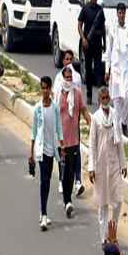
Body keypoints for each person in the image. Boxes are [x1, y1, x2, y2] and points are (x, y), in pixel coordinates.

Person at [89, 85, 128, 243]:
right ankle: (104, 237)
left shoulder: (115, 115)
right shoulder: (95, 118)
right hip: (100, 165)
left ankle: (113, 231)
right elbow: (92, 144)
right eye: (103, 98)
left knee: (117, 201)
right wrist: (91, 167)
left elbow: (120, 142)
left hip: (114, 164)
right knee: (103, 204)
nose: (105, 100)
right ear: (99, 100)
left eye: (107, 97)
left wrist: (123, 163)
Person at [30, 76, 64, 231]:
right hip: (41, 149)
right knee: (44, 180)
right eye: (42, 88)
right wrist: (31, 152)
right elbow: (34, 131)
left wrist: (62, 144)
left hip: (52, 149)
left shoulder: (55, 107)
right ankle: (43, 214)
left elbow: (58, 127)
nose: (44, 91)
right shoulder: (37, 109)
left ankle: (43, 211)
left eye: (46, 88)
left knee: (48, 180)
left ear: (50, 89)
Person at [57, 61, 90, 216]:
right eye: (67, 77)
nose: (69, 80)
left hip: (74, 140)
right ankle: (67, 202)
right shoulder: (58, 94)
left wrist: (92, 125)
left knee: (71, 171)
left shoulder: (77, 94)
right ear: (63, 78)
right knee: (65, 171)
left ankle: (68, 199)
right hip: (61, 141)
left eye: (71, 77)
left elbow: (84, 111)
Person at [105, 3, 128, 136]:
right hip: (116, 68)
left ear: (125, 13)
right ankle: (118, 126)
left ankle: (122, 121)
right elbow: (108, 50)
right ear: (117, 13)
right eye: (120, 12)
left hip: (126, 69)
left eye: (123, 12)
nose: (121, 15)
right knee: (117, 98)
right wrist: (107, 69)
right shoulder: (112, 29)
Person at [78, 0, 106, 104]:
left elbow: (103, 27)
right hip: (87, 44)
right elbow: (79, 25)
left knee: (99, 70)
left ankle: (100, 97)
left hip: (97, 44)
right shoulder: (85, 9)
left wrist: (104, 42)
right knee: (88, 70)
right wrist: (83, 39)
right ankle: (89, 94)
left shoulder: (100, 10)